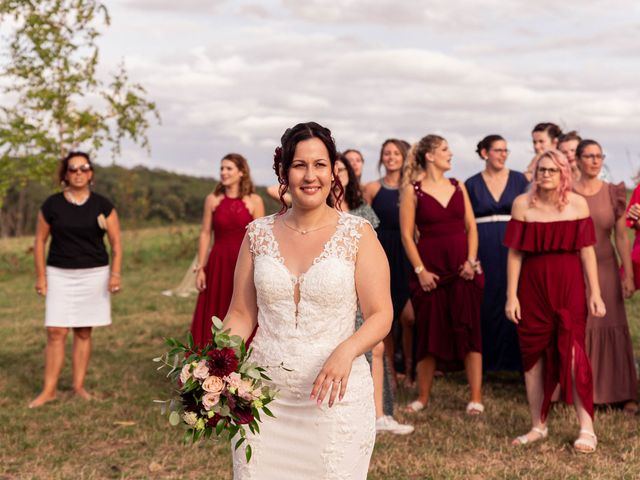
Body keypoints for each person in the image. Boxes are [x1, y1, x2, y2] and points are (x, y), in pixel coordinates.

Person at [225, 122, 393, 479]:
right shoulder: (257, 234)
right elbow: (240, 314)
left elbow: (381, 315)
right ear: (284, 171)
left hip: (335, 399)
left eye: (320, 164)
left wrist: (346, 351)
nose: (310, 175)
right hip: (262, 399)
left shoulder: (357, 234)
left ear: (333, 171)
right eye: (300, 165)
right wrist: (214, 364)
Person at [505, 149, 605, 453]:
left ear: (563, 173)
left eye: (551, 170)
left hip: (569, 285)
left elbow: (587, 251)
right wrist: (511, 295)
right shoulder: (522, 204)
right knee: (532, 357)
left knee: (575, 356)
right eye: (541, 170)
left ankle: (586, 427)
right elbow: (515, 253)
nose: (545, 174)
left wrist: (595, 292)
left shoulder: (577, 204)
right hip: (532, 288)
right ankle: (538, 424)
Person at [400, 134, 484, 414]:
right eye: (445, 149)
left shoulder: (458, 186)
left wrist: (471, 261)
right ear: (430, 156)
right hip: (431, 272)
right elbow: (407, 235)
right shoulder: (413, 190)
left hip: (463, 269)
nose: (451, 154)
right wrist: (420, 271)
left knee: (471, 331)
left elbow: (471, 227)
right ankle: (423, 397)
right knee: (429, 334)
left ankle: (475, 397)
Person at [30, 151, 122, 408]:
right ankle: (49, 390)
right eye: (73, 169)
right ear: (65, 174)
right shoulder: (52, 205)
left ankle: (78, 386)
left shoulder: (103, 205)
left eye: (84, 168)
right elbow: (39, 242)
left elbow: (116, 243)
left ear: (91, 173)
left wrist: (115, 273)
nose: (79, 173)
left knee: (83, 331)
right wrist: (41, 277)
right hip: (59, 273)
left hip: (94, 274)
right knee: (56, 331)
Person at [335, 154, 413, 435]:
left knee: (377, 348)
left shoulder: (360, 207)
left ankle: (380, 414)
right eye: (333, 169)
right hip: (336, 291)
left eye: (342, 169)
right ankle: (354, 415)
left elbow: (373, 252)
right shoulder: (320, 209)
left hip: (363, 287)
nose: (338, 174)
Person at [573, 140, 637, 413]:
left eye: (599, 156)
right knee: (579, 327)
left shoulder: (614, 192)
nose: (595, 161)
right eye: (589, 156)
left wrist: (629, 275)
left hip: (607, 267)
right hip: (574, 268)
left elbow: (622, 237)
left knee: (611, 324)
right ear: (577, 160)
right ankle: (577, 390)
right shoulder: (567, 192)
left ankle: (621, 392)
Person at [465, 135, 528, 372]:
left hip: (513, 243)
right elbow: (467, 223)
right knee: (486, 299)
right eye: (498, 150)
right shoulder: (471, 184)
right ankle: (488, 362)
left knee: (514, 295)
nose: (503, 154)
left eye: (505, 150)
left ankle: (517, 361)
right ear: (484, 153)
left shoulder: (520, 179)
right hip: (484, 246)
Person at [190, 153, 264, 347]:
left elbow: (260, 237)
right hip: (219, 262)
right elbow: (206, 233)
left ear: (241, 172)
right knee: (215, 310)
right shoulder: (212, 200)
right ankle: (209, 366)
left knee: (244, 308)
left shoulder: (254, 201)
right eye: (222, 168)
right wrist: (201, 268)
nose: (223, 172)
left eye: (229, 168)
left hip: (245, 263)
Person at [364, 139, 415, 387]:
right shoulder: (373, 188)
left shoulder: (412, 188)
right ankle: (392, 373)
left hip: (407, 251)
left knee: (410, 318)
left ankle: (409, 369)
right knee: (388, 316)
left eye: (396, 153)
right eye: (387, 153)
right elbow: (366, 224)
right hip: (382, 251)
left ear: (405, 157)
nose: (391, 157)